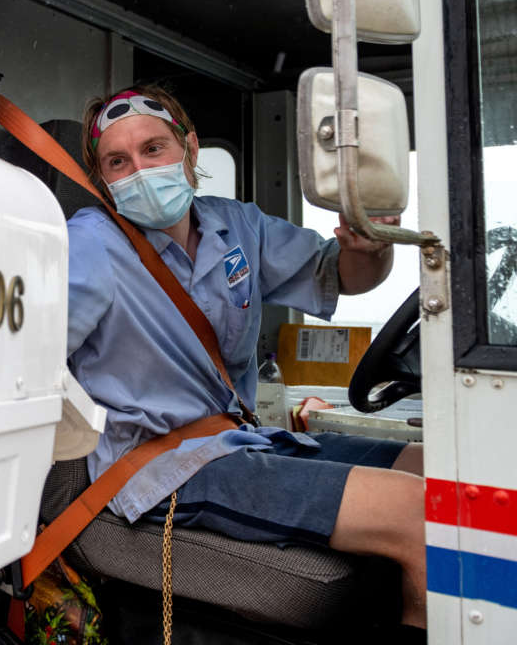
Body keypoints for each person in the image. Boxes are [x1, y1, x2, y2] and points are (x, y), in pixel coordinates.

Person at [66, 85, 426, 629]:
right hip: (159, 466)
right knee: (418, 512)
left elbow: (345, 277)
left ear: (189, 149)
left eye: (154, 149)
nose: (140, 171)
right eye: (119, 161)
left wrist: (368, 246)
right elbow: (21, 358)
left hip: (242, 440)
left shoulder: (237, 225)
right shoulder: (90, 244)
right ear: (103, 179)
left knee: (435, 469)